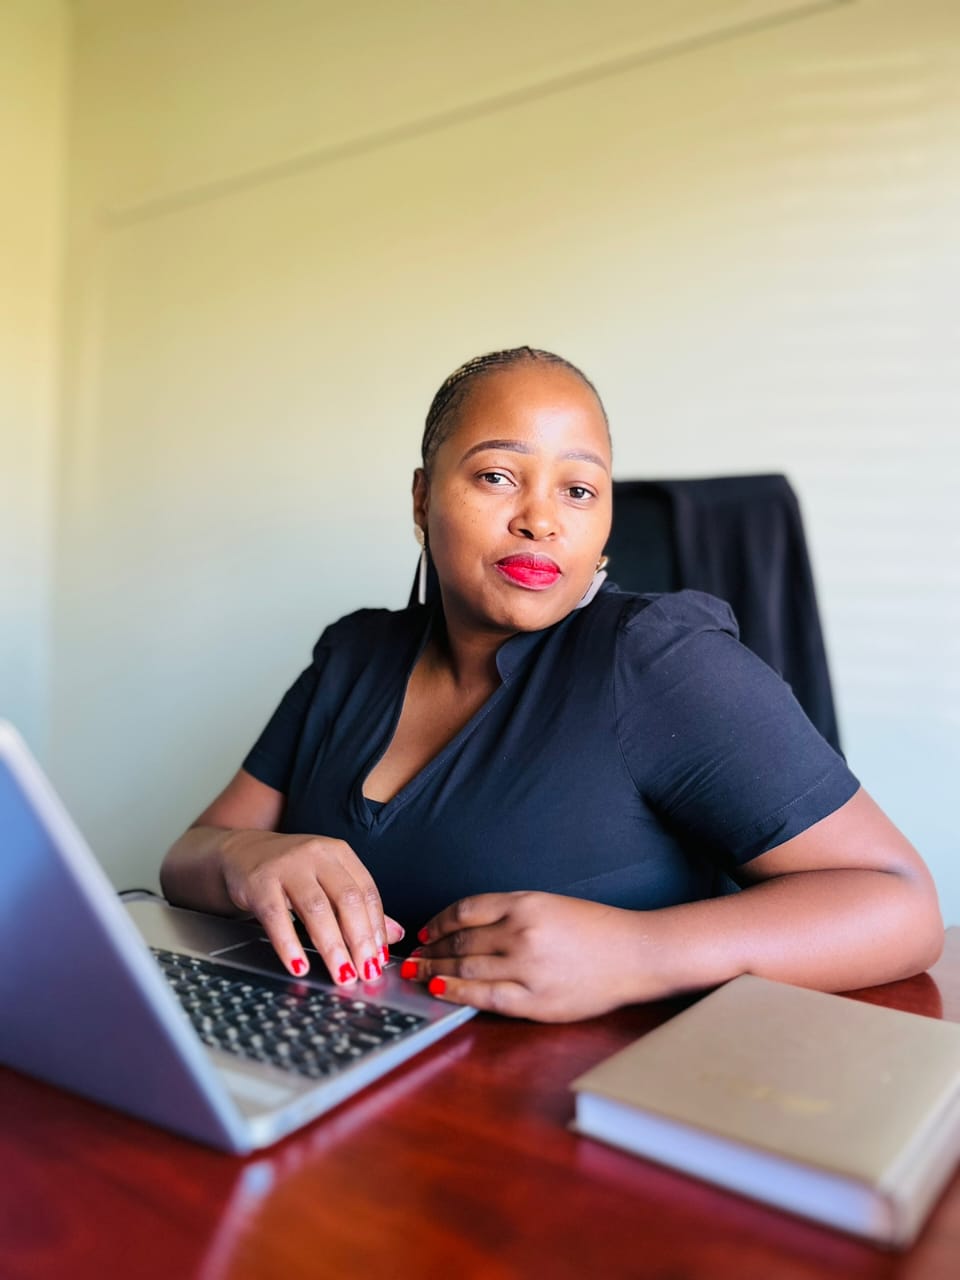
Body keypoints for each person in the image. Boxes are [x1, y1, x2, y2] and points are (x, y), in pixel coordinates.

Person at [160, 347, 943, 1022]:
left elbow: (900, 903)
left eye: (578, 490)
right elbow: (188, 857)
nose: (541, 520)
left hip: (574, 1114)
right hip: (330, 1074)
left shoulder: (661, 662)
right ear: (422, 498)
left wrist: (640, 951)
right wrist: (246, 857)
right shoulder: (353, 655)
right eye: (498, 475)